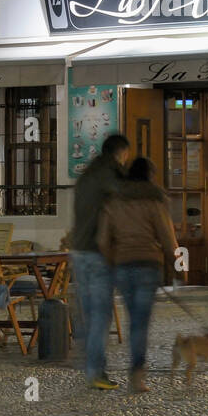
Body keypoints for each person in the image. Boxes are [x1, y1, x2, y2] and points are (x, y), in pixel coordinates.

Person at [97, 157, 179, 393]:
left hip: (122, 266)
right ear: (149, 176)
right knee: (139, 324)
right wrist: (175, 264)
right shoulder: (154, 200)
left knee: (132, 319)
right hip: (147, 265)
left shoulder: (113, 201)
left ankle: (132, 372)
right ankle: (136, 376)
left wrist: (113, 261)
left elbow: (102, 240)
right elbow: (167, 237)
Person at [71, 133, 131, 390]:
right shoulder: (111, 176)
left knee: (88, 314)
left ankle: (90, 366)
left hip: (78, 252)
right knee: (100, 315)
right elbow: (124, 206)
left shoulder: (86, 175)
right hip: (97, 253)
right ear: (121, 153)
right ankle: (96, 372)